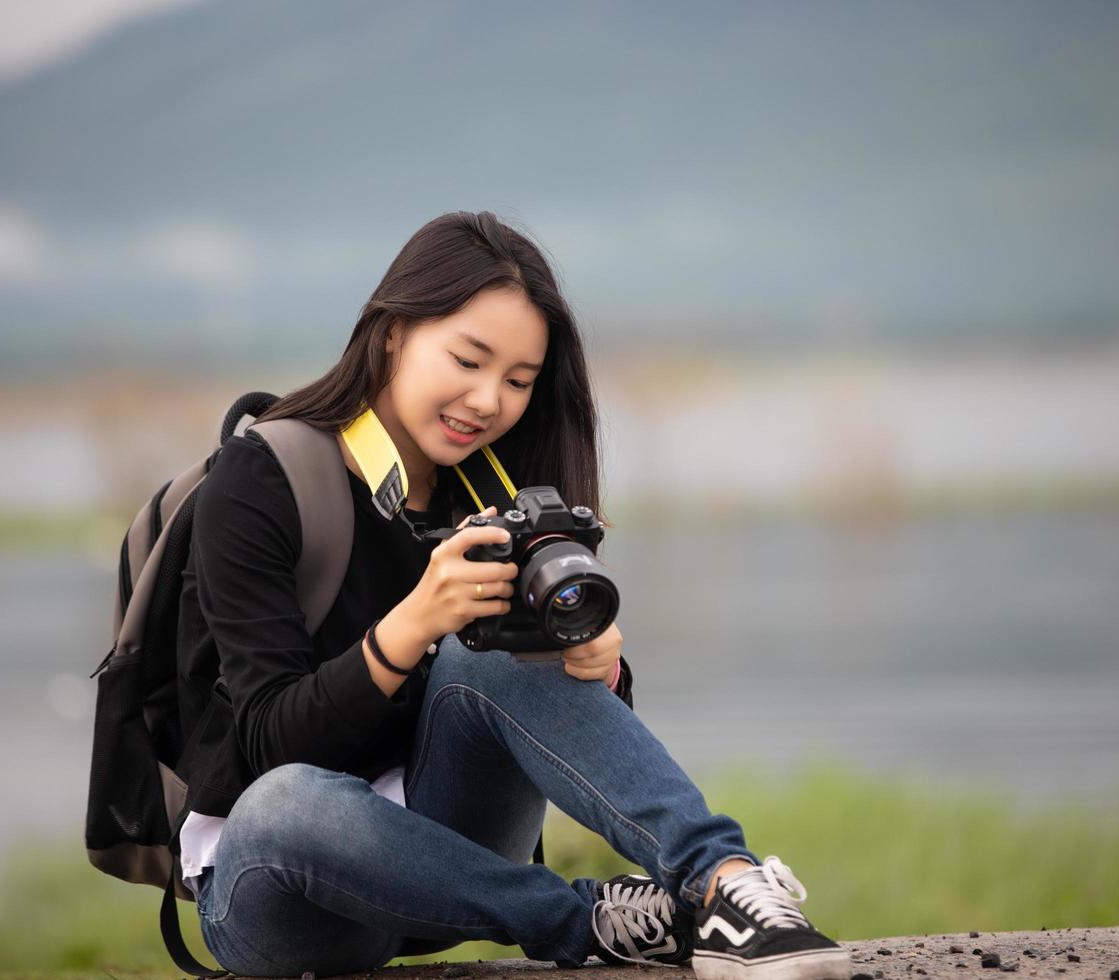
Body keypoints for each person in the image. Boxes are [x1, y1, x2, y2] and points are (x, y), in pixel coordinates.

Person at [174, 210, 853, 980]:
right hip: (284, 895)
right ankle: (586, 921)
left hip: (452, 848)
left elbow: (562, 741)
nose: (488, 400)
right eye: (468, 360)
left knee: (498, 658)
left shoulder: (499, 499)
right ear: (392, 329)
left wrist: (596, 667)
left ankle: (725, 890)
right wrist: (417, 621)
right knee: (287, 801)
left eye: (518, 381)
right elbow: (269, 744)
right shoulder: (263, 477)